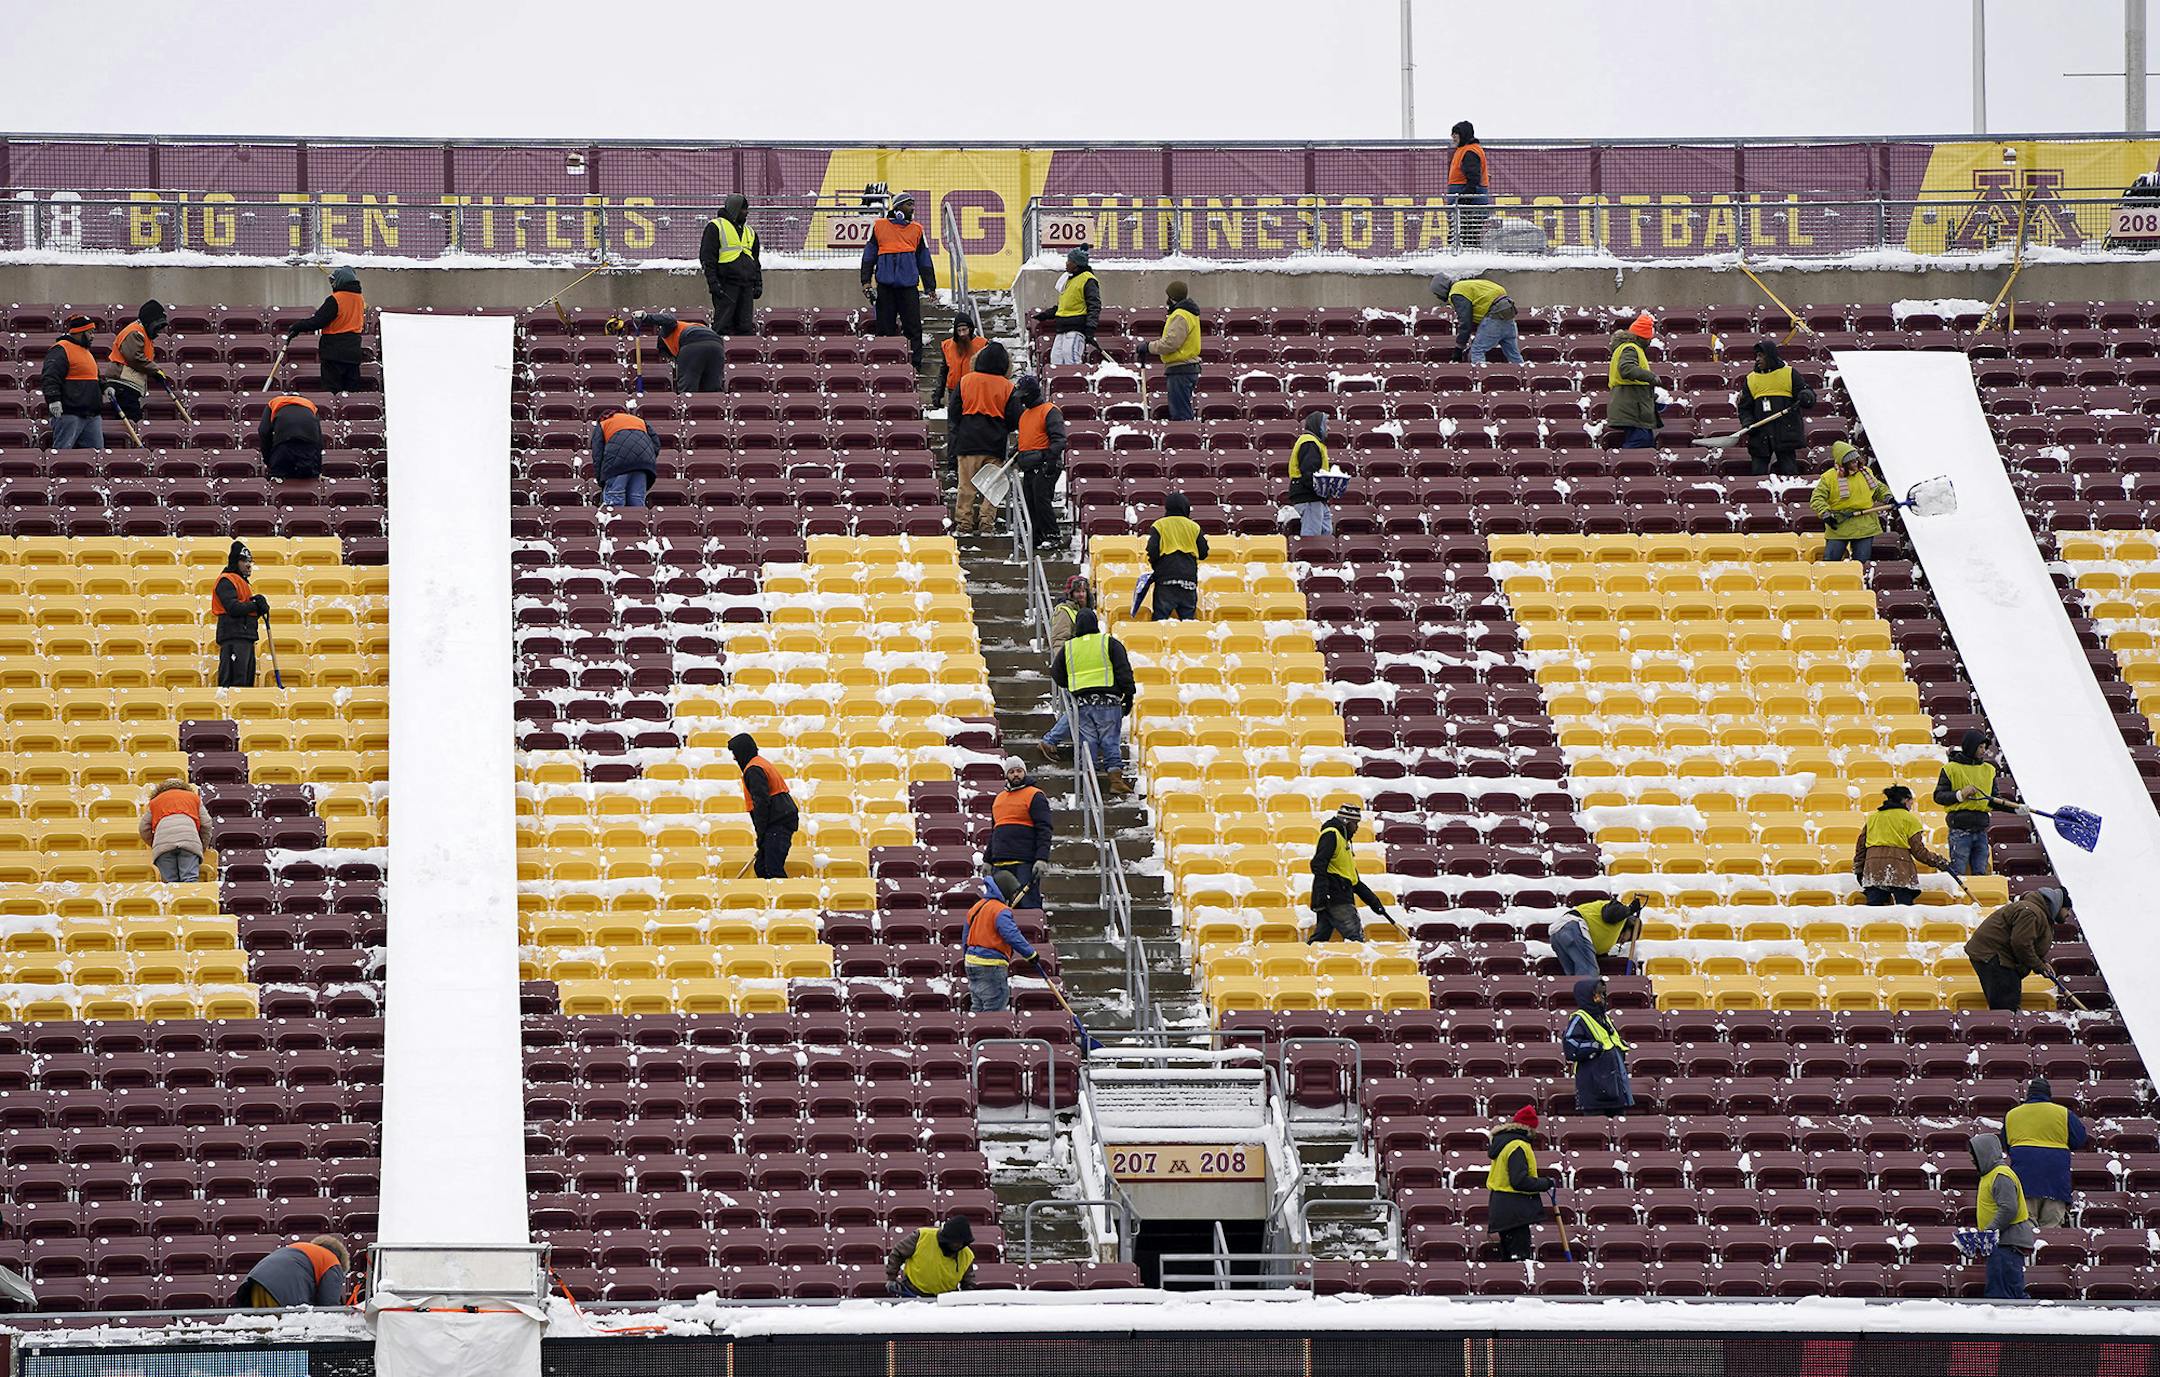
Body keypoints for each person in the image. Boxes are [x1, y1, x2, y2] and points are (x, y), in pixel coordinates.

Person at [1043, 609, 1135, 792]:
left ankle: (1089, 781)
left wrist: (1072, 685)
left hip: (1083, 703)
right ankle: (1116, 780)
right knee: (1111, 742)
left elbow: (1056, 673)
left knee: (1088, 742)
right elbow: (1124, 671)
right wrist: (1129, 696)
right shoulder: (1109, 642)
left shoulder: (1069, 647)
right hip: (1110, 702)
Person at [950, 342, 1019, 536]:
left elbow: (954, 411)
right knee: (992, 487)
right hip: (994, 443)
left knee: (966, 486)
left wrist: (960, 428)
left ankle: (963, 524)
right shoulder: (1007, 386)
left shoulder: (966, 380)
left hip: (968, 441)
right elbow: (1015, 417)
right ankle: (986, 524)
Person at [1964, 886, 2070, 1012]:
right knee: (2006, 1009)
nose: (2068, 914)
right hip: (1994, 957)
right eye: (2067, 909)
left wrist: (2043, 962)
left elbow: (2030, 943)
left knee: (2007, 1005)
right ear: (2058, 906)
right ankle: (2002, 1030)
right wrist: (2039, 966)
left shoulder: (2038, 912)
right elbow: (2021, 944)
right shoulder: (2031, 912)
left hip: (1997, 957)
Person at [861, 192, 936, 370]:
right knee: (884, 329)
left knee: (913, 329)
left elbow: (924, 259)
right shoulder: (879, 227)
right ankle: (884, 365)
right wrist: (866, 281)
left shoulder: (917, 229)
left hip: (908, 287)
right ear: (898, 207)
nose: (913, 208)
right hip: (885, 287)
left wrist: (930, 286)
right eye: (909, 204)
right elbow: (868, 256)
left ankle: (914, 366)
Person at [1935, 728, 2022, 878]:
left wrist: (2016, 809)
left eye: (1985, 747)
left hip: (1981, 830)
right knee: (1958, 872)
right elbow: (1939, 796)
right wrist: (1960, 795)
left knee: (1981, 873)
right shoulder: (1950, 769)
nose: (1984, 750)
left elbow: (1994, 799)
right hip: (1959, 829)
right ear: (1971, 746)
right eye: (1980, 747)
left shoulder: (1989, 770)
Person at [2002, 1076, 2087, 1229]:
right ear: (2048, 1094)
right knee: (2052, 1229)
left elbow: (2005, 1144)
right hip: (2055, 1180)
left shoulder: (2012, 1114)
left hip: (2025, 1180)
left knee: (2025, 1227)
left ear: (2028, 1094)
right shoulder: (2063, 1113)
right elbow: (2080, 1139)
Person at [1851, 785, 1951, 906]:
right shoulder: (1910, 819)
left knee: (1875, 909)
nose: (1911, 805)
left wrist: (1859, 868)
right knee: (1904, 908)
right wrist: (1938, 861)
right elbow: (1919, 852)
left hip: (1874, 867)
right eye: (1911, 802)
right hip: (1900, 867)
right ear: (1905, 800)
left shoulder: (1873, 818)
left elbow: (1861, 847)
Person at [1308, 803, 1390, 943]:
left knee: (1320, 938)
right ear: (1346, 822)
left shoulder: (1344, 844)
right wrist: (1323, 892)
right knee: (1355, 938)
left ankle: (1310, 958)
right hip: (1336, 896)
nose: (1357, 828)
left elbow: (1354, 881)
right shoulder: (1331, 835)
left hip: (1333, 895)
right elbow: (1318, 864)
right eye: (1355, 823)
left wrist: (1374, 902)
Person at [962, 869, 1040, 1014]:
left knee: (978, 1007)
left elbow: (965, 936)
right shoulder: (1001, 910)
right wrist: (1031, 954)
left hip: (971, 963)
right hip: (990, 965)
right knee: (995, 1006)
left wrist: (967, 956)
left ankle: (977, 1035)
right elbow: (1011, 934)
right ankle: (990, 1034)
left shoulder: (977, 907)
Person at [1485, 1105, 1555, 1262]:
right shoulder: (1518, 1146)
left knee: (1510, 1261)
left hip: (1502, 1207)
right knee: (1519, 1260)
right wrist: (1545, 1183)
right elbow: (1519, 1181)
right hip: (1515, 1211)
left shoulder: (1505, 1143)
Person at [1969, 1133, 2034, 1299]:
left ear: (1985, 1153)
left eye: (1974, 1155)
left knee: (2005, 1294)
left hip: (2007, 1243)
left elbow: (2009, 1208)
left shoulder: (2001, 1175)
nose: (1971, 1159)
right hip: (2000, 1243)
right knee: (2001, 1292)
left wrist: (1989, 1231)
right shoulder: (1990, 1175)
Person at [1738, 338, 1815, 476]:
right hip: (1760, 436)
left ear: (1770, 356)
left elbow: (1808, 393)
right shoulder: (1751, 379)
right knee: (1758, 476)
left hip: (1785, 434)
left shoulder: (1789, 373)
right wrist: (1748, 423)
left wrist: (1806, 396)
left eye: (1761, 356)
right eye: (1756, 356)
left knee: (1789, 474)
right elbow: (1744, 408)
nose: (1757, 359)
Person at [984, 757, 1053, 909]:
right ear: (1006, 775)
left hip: (1024, 864)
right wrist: (987, 860)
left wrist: (1042, 858)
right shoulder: (999, 799)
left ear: (1024, 772)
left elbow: (1044, 829)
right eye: (1012, 771)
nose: (1016, 774)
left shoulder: (1035, 795)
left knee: (1027, 906)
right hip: (999, 864)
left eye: (1019, 771)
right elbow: (994, 831)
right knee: (998, 909)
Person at [1810, 440, 1894, 562]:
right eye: (1851, 462)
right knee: (1831, 561)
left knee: (1861, 563)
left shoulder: (1866, 473)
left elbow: (1877, 490)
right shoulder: (1829, 478)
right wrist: (1825, 514)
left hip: (1864, 525)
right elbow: (1817, 498)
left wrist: (1888, 497)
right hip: (1839, 523)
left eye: (1856, 460)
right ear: (1843, 463)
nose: (1855, 463)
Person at [1561, 976, 1633, 1116]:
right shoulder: (1579, 1018)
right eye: (1597, 995)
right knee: (1597, 1130)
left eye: (1603, 994)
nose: (1601, 998)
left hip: (1614, 1088)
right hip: (1594, 1089)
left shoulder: (1604, 1018)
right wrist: (1594, 1046)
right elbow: (1570, 1046)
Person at [728, 734, 797, 880]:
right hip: (778, 819)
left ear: (742, 751)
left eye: (735, 753)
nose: (734, 758)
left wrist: (761, 833)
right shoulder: (757, 764)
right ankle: (768, 900)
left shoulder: (754, 769)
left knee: (773, 869)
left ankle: (783, 900)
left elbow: (761, 803)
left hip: (778, 821)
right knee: (761, 867)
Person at [285, 269, 366, 392]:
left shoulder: (335, 299)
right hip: (353, 350)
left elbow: (318, 321)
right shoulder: (359, 299)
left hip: (334, 351)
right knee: (351, 391)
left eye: (333, 281)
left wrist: (298, 326)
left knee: (332, 390)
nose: (332, 284)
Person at [1012, 372, 1067, 550]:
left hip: (1045, 463)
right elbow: (1026, 439)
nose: (1021, 401)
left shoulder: (1049, 410)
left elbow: (1059, 439)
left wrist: (1051, 461)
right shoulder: (1024, 415)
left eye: (1023, 397)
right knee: (1030, 500)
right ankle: (1035, 536)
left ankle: (1052, 535)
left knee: (1041, 498)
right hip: (1029, 464)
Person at [1138, 280, 1203, 421]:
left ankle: (1184, 440)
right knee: (1182, 409)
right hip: (1186, 367)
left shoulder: (1180, 315)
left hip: (1181, 368)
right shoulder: (1189, 313)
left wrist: (1148, 347)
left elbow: (1171, 343)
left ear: (1172, 297)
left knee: (1180, 414)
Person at [39, 314, 106, 451]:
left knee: (96, 457)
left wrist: (106, 387)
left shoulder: (87, 352)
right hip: (69, 414)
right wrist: (53, 400)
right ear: (78, 332)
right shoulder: (61, 349)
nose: (92, 336)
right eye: (90, 333)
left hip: (92, 415)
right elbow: (50, 376)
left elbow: (96, 377)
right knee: (63, 454)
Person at [698, 194, 762, 335]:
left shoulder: (750, 232)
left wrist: (758, 284)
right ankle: (722, 356)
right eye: (743, 209)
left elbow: (755, 262)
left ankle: (742, 356)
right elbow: (708, 259)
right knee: (723, 325)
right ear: (735, 209)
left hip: (747, 286)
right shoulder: (715, 227)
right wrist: (713, 284)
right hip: (726, 285)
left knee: (745, 327)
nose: (746, 213)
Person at [212, 541, 270, 688]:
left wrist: (259, 609)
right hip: (233, 638)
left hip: (246, 637)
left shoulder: (243, 583)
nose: (249, 565)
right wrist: (256, 605)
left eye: (250, 561)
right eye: (244, 561)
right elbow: (233, 608)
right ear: (235, 562)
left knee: (245, 682)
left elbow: (245, 611)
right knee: (235, 684)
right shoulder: (226, 580)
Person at [106, 299, 171, 430]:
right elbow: (134, 358)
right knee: (132, 421)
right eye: (157, 326)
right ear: (149, 321)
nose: (158, 331)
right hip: (123, 385)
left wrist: (154, 372)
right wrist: (155, 370)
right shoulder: (134, 332)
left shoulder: (142, 333)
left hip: (130, 386)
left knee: (133, 420)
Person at [234, 1236, 351, 1308]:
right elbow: (328, 1305)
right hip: (284, 1291)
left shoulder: (299, 1248)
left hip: (255, 1286)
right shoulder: (332, 1261)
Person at [1429, 273, 1519, 365]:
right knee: (1513, 353)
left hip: (1495, 312)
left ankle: (1480, 377)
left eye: (1437, 294)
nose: (1438, 297)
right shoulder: (1465, 285)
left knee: (1477, 351)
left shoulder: (1456, 293)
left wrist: (1459, 347)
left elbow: (1465, 321)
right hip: (1508, 311)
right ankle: (1522, 373)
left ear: (1441, 289)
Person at [1145, 494, 1209, 621]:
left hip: (1165, 580)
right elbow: (1203, 553)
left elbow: (1152, 550)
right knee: (1187, 623)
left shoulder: (1159, 525)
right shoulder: (1193, 527)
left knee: (1160, 621)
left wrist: (1156, 565)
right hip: (1188, 580)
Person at [1548, 895, 1645, 978]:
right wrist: (1630, 910)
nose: (1623, 941)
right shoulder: (1620, 916)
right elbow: (1610, 914)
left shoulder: (1608, 936)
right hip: (1573, 927)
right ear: (1629, 926)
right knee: (1589, 972)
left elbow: (1593, 955)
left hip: (1558, 934)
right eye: (1629, 937)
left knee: (1574, 977)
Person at [1036, 247, 1100, 367]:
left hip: (1075, 328)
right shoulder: (1069, 280)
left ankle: (1075, 383)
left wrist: (1090, 328)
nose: (1066, 263)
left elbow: (1094, 306)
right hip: (1062, 328)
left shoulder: (1088, 280)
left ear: (1076, 264)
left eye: (1069, 261)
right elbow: (1063, 306)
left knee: (1071, 358)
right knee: (1056, 359)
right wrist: (1046, 315)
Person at [631, 313, 726, 393]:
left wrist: (646, 317)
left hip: (692, 344)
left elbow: (670, 319)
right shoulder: (696, 326)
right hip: (717, 347)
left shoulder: (666, 334)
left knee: (687, 389)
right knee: (713, 390)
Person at [886, 1215, 977, 1297]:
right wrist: (891, 1278)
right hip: (913, 1294)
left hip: (945, 1300)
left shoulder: (967, 1255)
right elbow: (897, 1253)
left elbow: (968, 1282)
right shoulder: (922, 1236)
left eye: (960, 1242)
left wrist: (969, 1297)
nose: (957, 1245)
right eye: (954, 1242)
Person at [1282, 411, 1341, 538]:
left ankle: (1321, 556)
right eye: (1326, 424)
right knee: (1312, 535)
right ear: (1318, 425)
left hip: (1316, 497)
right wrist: (1320, 488)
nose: (1329, 428)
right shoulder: (1309, 443)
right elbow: (1309, 473)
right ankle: (1309, 557)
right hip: (1309, 497)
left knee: (1325, 531)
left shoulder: (1315, 443)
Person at [1606, 313, 1659, 449]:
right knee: (1641, 440)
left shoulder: (1627, 348)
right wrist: (1651, 377)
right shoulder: (1631, 348)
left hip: (1633, 403)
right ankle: (1623, 464)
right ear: (1644, 337)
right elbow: (1627, 369)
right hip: (1631, 405)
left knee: (1644, 440)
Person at [137, 779, 206, 884]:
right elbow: (206, 823)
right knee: (190, 881)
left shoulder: (155, 802)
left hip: (163, 844)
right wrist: (201, 845)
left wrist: (156, 843)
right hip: (189, 841)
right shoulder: (193, 798)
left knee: (171, 884)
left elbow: (143, 828)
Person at [590, 410, 659, 509]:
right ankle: (636, 523)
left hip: (617, 464)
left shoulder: (603, 423)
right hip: (643, 463)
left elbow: (597, 454)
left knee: (615, 500)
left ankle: (616, 523)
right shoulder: (639, 421)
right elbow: (656, 444)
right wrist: (645, 460)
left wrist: (601, 479)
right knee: (636, 501)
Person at [934, 315, 988, 423]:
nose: (962, 334)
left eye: (964, 330)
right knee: (954, 422)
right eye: (959, 331)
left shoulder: (982, 345)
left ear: (970, 329)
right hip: (953, 390)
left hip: (974, 390)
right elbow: (944, 371)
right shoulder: (947, 346)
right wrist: (938, 394)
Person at [257, 395, 324, 480]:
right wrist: (317, 470)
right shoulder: (310, 404)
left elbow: (264, 431)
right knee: (309, 482)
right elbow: (318, 440)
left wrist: (268, 460)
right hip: (308, 446)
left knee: (279, 483)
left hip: (283, 445)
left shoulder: (273, 403)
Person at [1447, 120, 1492, 249]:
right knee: (1466, 237)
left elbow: (1473, 178)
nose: (1453, 137)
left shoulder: (1469, 152)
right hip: (1469, 204)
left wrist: (1464, 198)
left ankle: (1468, 263)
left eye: (1456, 134)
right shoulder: (1466, 150)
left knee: (1465, 238)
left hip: (1469, 206)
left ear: (1464, 134)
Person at [1047, 574, 1093, 653]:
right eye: (1077, 591)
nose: (1081, 594)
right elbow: (1059, 641)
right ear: (1070, 594)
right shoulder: (1063, 612)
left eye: (1083, 591)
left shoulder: (1088, 612)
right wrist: (1062, 662)